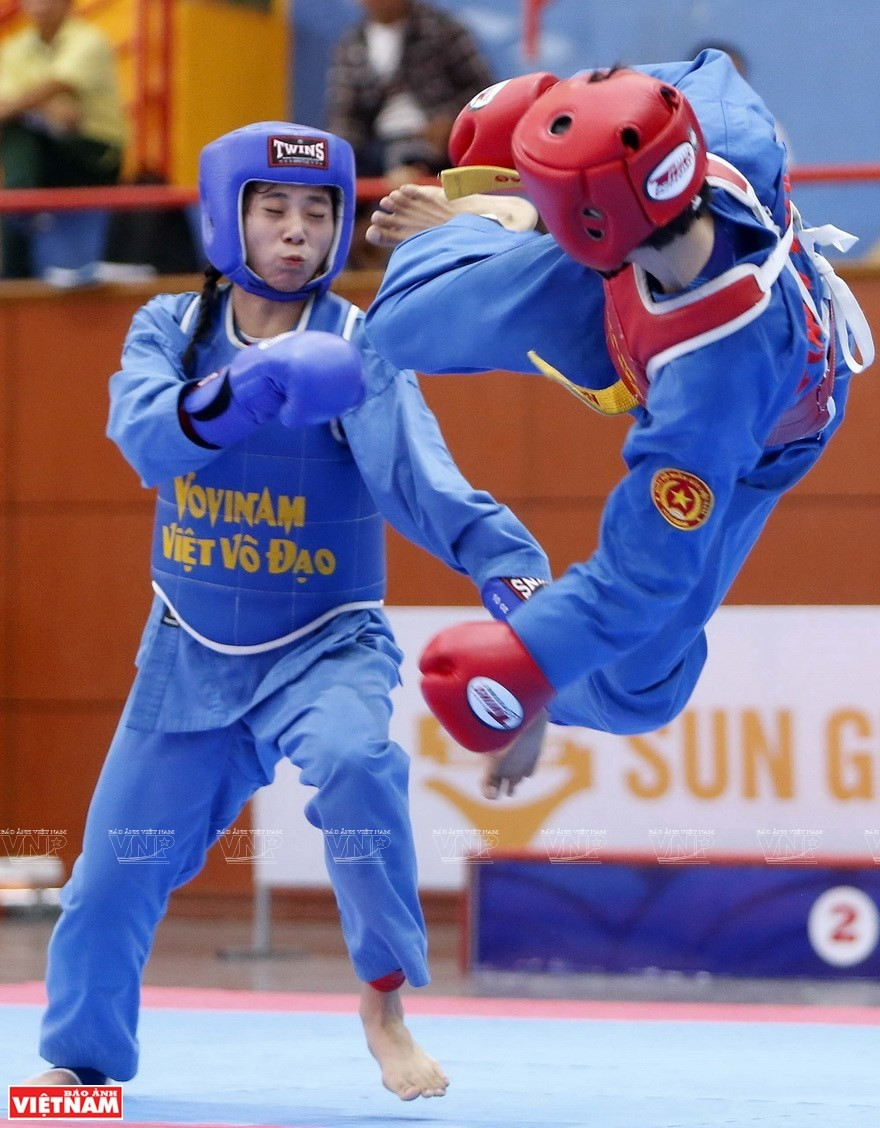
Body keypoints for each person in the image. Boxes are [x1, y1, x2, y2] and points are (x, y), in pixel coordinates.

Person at [20, 120, 551, 1098]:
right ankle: (82, 1059)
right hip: (186, 652)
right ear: (228, 218)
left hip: (325, 646)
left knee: (357, 767)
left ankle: (384, 1003)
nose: (297, 230)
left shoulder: (358, 346)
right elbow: (144, 438)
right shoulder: (171, 329)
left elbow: (431, 491)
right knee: (108, 879)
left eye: (317, 209)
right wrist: (255, 387)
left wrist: (534, 636)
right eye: (273, 209)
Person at [364, 50, 874, 754]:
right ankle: (504, 214)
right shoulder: (731, 133)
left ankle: (491, 219)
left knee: (632, 689)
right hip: (629, 263)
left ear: (574, 227)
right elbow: (694, 74)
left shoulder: (710, 395)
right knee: (404, 322)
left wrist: (528, 662)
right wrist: (561, 109)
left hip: (755, 432)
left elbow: (641, 575)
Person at [325, 0, 493, 267]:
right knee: (337, 181)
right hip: (376, 149)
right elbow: (344, 117)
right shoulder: (351, 46)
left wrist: (451, 122)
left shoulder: (443, 30)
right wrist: (338, 161)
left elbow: (485, 95)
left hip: (440, 149)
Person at [0, 0, 126, 278]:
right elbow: (16, 105)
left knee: (17, 136)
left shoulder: (90, 41)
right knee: (16, 135)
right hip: (42, 150)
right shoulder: (13, 48)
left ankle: (19, 215)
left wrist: (24, 105)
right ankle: (21, 210)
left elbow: (62, 107)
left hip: (95, 155)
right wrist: (46, 106)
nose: (40, 3)